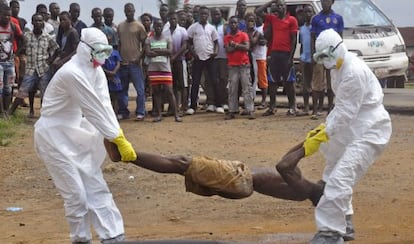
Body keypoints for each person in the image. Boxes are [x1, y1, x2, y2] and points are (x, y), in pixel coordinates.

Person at [33, 27, 136, 244]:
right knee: (75, 194)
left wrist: (118, 134)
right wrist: (115, 137)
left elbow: (105, 105)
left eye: (106, 51)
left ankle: (113, 236)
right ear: (84, 48)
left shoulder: (95, 71)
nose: (103, 57)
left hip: (76, 133)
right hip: (52, 136)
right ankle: (80, 239)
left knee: (95, 184)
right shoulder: (72, 72)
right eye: (99, 51)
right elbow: (92, 108)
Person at [307, 29, 392, 243]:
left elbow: (346, 111)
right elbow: (342, 108)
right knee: (332, 172)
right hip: (354, 126)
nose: (325, 62)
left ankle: (330, 232)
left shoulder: (352, 71)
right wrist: (324, 128)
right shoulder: (339, 68)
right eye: (322, 58)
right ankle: (345, 221)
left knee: (341, 177)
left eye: (327, 56)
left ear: (338, 47)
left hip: (370, 129)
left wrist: (324, 132)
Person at [104, 134, 324, 205]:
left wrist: (311, 144)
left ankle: (125, 155)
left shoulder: (303, 189)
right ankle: (126, 155)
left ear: (319, 192)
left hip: (241, 179)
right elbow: (287, 160)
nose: (323, 181)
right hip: (241, 181)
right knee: (180, 166)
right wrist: (311, 137)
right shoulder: (301, 185)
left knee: (181, 163)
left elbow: (283, 165)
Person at [8, 13, 59, 117]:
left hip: (43, 69)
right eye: (36, 21)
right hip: (30, 69)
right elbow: (22, 47)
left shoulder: (47, 37)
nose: (38, 23)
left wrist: (51, 60)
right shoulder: (27, 36)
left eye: (40, 21)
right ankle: (10, 113)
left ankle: (46, 115)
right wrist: (15, 55)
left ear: (43, 23)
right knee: (22, 91)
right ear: (32, 23)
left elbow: (57, 49)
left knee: (45, 94)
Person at [256, 0, 298, 117]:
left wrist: (291, 57)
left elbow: (294, 39)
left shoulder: (292, 20)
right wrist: (271, 2)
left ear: (285, 7)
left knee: (289, 82)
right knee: (272, 82)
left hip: (286, 54)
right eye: (277, 6)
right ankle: (272, 106)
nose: (279, 8)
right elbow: (258, 11)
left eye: (281, 5)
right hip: (274, 53)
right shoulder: (272, 19)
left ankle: (292, 106)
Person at [145, 19, 182, 123]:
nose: (158, 28)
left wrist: (155, 51)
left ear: (162, 27)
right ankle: (159, 115)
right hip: (153, 69)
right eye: (156, 26)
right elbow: (147, 53)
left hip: (165, 69)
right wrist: (162, 51)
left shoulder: (167, 38)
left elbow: (170, 51)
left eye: (160, 26)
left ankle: (176, 115)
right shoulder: (149, 39)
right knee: (156, 92)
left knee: (170, 91)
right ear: (154, 27)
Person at [311, 0, 344, 115]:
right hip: (320, 54)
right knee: (317, 83)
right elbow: (312, 37)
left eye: (327, 1)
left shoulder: (338, 18)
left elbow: (340, 38)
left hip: (333, 55)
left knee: (332, 82)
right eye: (322, 1)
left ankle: (330, 108)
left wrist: (340, 54)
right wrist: (313, 55)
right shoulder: (315, 18)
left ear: (332, 2)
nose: (324, 3)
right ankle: (315, 110)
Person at [185, 6, 218, 115]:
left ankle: (216, 104)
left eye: (205, 14)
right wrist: (194, 54)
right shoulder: (193, 27)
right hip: (198, 58)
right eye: (201, 14)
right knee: (195, 82)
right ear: (198, 15)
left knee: (214, 81)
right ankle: (193, 106)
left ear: (208, 15)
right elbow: (188, 42)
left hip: (210, 58)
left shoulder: (211, 28)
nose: (203, 16)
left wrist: (216, 52)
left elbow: (216, 42)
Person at [117, 3, 147, 121]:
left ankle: (140, 112)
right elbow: (119, 43)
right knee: (122, 90)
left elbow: (145, 44)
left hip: (135, 64)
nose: (129, 12)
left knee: (140, 90)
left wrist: (139, 57)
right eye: (127, 11)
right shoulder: (120, 26)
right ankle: (124, 112)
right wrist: (119, 58)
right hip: (123, 64)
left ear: (134, 11)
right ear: (124, 12)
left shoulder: (139, 26)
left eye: (131, 10)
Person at [223, 16, 255, 120]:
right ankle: (233, 110)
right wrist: (239, 46)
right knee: (232, 89)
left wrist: (235, 45)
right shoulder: (227, 37)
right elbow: (228, 50)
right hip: (232, 65)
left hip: (244, 64)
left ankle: (250, 109)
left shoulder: (243, 34)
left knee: (247, 88)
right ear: (229, 24)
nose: (233, 25)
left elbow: (247, 47)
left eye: (235, 23)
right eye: (231, 23)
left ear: (238, 24)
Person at [162, 11, 189, 115]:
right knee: (171, 85)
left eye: (174, 19)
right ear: (168, 20)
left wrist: (175, 56)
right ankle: (172, 108)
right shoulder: (165, 32)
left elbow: (185, 45)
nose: (173, 20)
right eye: (171, 19)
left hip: (180, 61)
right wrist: (170, 57)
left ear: (177, 19)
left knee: (183, 85)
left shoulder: (182, 30)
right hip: (169, 62)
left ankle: (184, 107)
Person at [0, 4, 23, 119]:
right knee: (0, 88)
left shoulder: (13, 26)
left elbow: (23, 39)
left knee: (8, 88)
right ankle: (2, 112)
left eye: (9, 15)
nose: (7, 18)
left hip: (9, 62)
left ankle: (6, 110)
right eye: (4, 15)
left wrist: (17, 53)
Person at [298, 5, 314, 114]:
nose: (308, 14)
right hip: (304, 59)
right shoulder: (302, 29)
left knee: (315, 85)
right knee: (305, 85)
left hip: (314, 59)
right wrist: (301, 58)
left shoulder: (315, 28)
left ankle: (316, 107)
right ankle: (306, 107)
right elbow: (302, 44)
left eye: (310, 12)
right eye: (306, 12)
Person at [102, 35, 122, 114]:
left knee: (115, 96)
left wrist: (114, 72)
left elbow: (118, 63)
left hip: (115, 75)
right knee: (107, 96)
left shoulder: (115, 52)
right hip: (105, 76)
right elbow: (99, 65)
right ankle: (108, 114)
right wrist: (107, 72)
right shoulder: (101, 53)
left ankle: (115, 113)